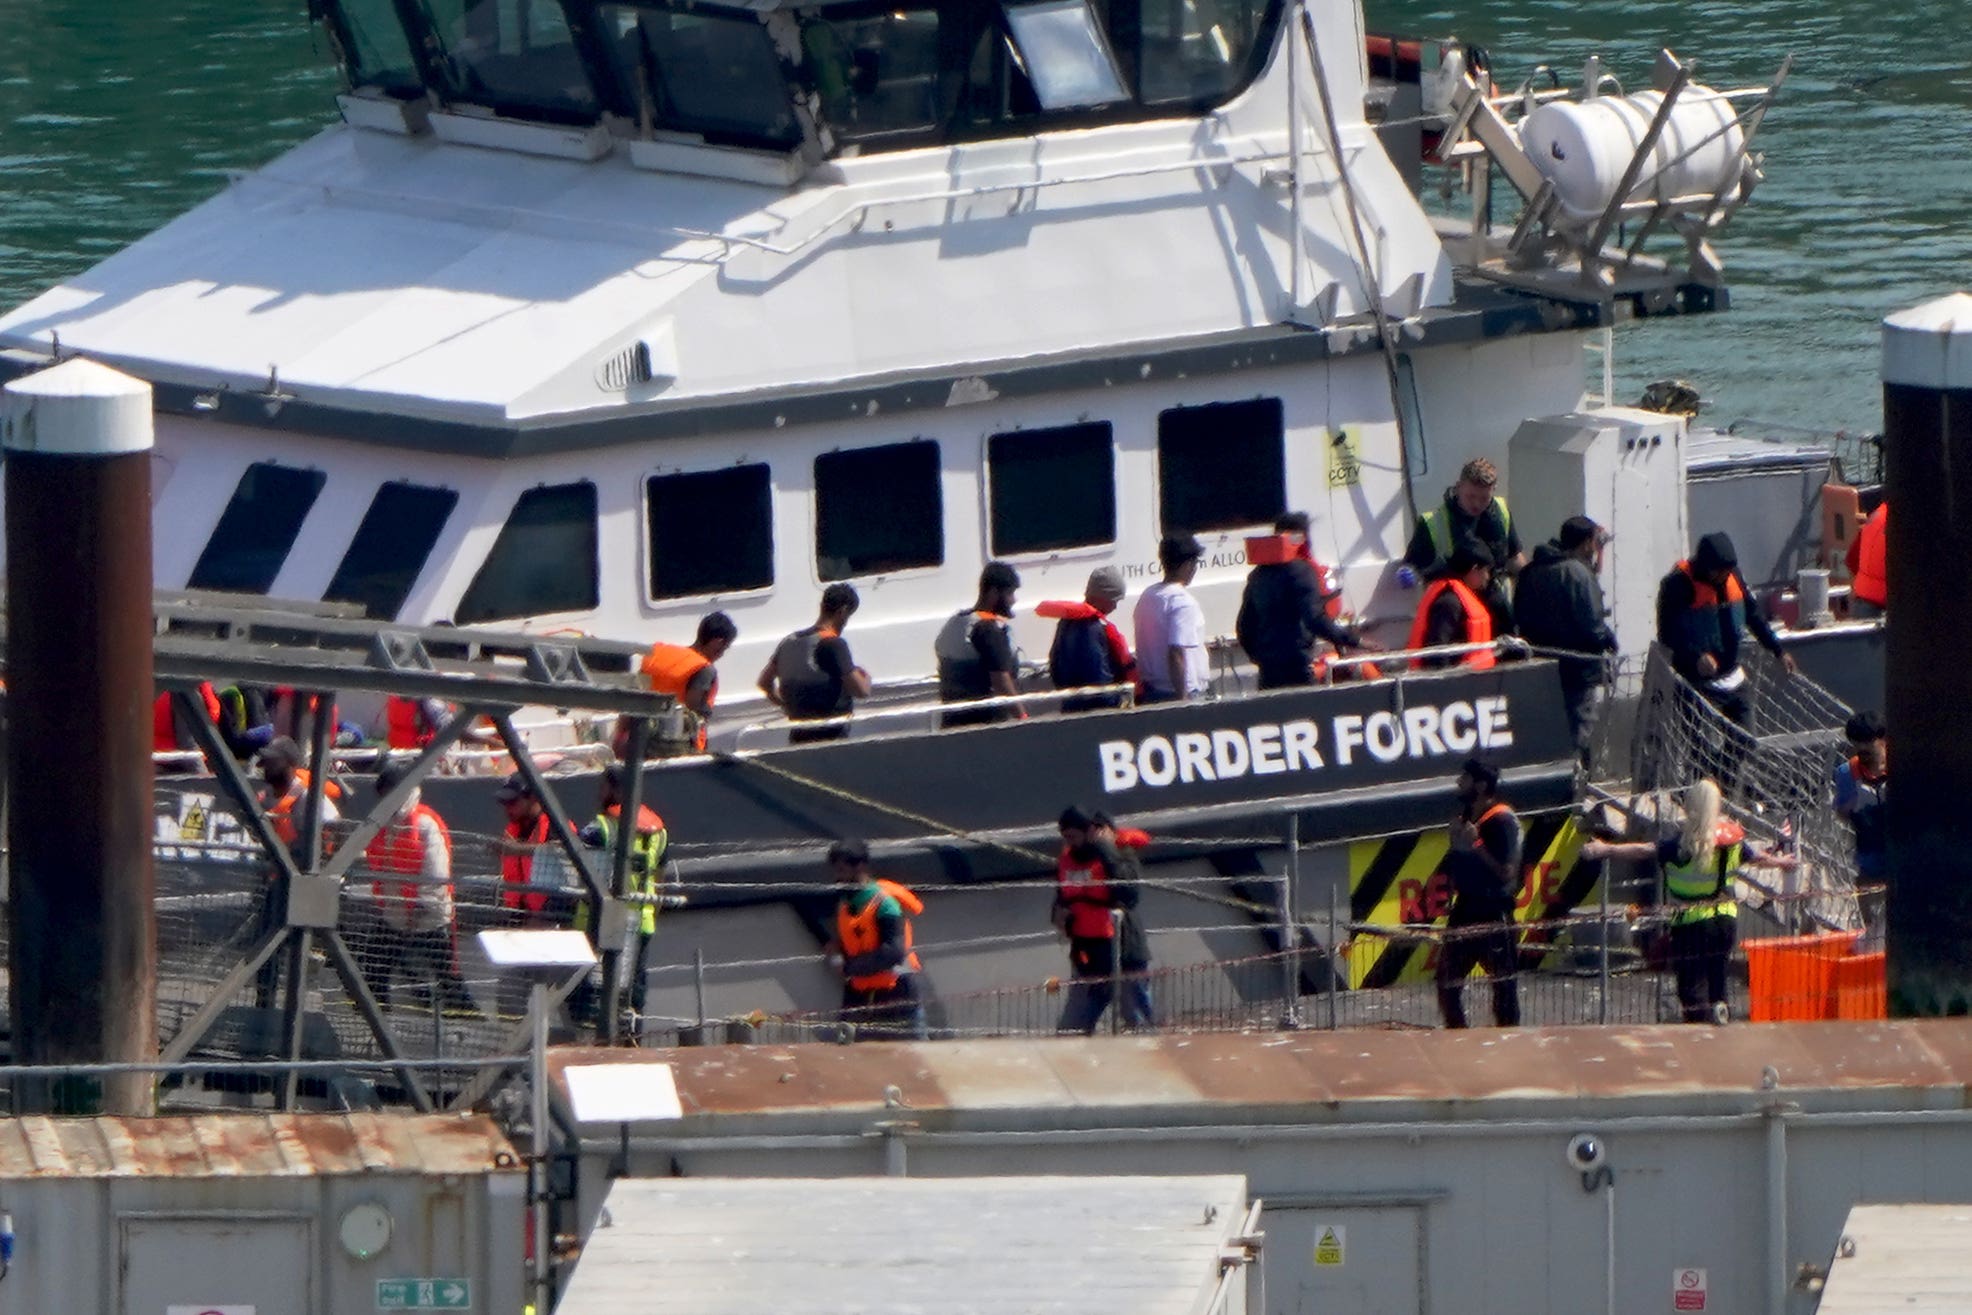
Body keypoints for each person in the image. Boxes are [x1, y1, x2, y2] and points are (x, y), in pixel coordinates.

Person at [1581, 779, 1796, 1023]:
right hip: (1725, 920)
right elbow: (1756, 857)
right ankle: (1721, 1022)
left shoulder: (1681, 845)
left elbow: (1643, 850)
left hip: (1690, 925)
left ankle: (1699, 1034)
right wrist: (1782, 862)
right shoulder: (1731, 842)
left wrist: (1605, 850)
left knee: (1691, 988)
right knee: (1718, 979)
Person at [359, 760, 476, 1014]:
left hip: (429, 918)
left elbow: (436, 875)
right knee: (374, 970)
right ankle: (376, 1020)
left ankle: (470, 1022)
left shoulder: (425, 824)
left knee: (448, 978)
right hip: (394, 916)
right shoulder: (383, 823)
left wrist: (420, 909)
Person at [1656, 531, 1795, 726]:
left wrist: (1778, 650)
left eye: (1727, 570)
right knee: (1700, 751)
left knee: (1746, 742)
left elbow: (1753, 616)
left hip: (1733, 677)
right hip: (1697, 683)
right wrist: (1696, 656)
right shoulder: (1677, 584)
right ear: (1706, 566)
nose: (1723, 576)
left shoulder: (1733, 577)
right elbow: (1668, 633)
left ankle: (1731, 756)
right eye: (1718, 571)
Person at [1515, 516, 1618, 756]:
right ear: (1585, 543)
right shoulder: (1578, 573)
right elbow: (1593, 626)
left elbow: (1519, 616)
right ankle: (1576, 786)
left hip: (1540, 668)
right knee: (1579, 734)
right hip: (1578, 670)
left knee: (1547, 734)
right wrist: (1609, 641)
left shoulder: (1530, 572)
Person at [578, 764, 675, 1018]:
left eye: (603, 787)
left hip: (602, 918)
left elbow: (573, 853)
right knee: (633, 988)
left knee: (593, 986)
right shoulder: (659, 832)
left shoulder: (602, 827)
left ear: (617, 789)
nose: (600, 793)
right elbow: (660, 880)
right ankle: (632, 1038)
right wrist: (651, 913)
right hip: (642, 921)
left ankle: (596, 1036)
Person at [1236, 511, 1371, 688]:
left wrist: (1260, 658)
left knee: (1272, 715)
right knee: (1307, 714)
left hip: (1268, 673)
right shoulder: (1302, 571)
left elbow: (1243, 627)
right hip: (1297, 667)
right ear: (1303, 538)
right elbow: (1314, 618)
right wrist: (1355, 640)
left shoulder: (1258, 575)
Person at [1435, 758, 1523, 1029]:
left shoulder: (1501, 820)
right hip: (1465, 909)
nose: (1459, 784)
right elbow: (1458, 861)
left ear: (1481, 785)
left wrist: (1477, 843)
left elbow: (1506, 872)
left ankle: (1509, 1037)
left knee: (1503, 984)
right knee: (1447, 980)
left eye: (1465, 779)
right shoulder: (1466, 818)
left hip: (1493, 912)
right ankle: (1458, 1035)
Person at [1053, 806, 1154, 1034]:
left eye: (1072, 836)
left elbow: (1129, 896)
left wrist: (1105, 849)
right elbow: (1061, 897)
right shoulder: (1067, 860)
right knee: (1073, 1025)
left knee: (1137, 1018)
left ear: (1092, 831)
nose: (1069, 842)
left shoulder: (1120, 852)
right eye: (1064, 837)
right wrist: (1059, 915)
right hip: (1087, 952)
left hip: (1124, 949)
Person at [1404, 457, 1525, 635]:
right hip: (1453, 607)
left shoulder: (1501, 512)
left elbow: (1514, 557)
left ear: (1493, 490)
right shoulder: (1433, 522)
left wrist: (1532, 578)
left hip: (1494, 600)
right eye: (1471, 496)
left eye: (1484, 498)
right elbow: (1415, 568)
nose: (1476, 504)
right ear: (1459, 487)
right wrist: (1409, 575)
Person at [823, 839, 927, 1040]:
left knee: (911, 1054)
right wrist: (838, 949)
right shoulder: (846, 903)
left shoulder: (885, 904)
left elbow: (893, 952)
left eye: (842, 870)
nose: (838, 877)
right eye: (836, 870)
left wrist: (848, 967)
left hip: (897, 993)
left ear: (860, 866)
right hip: (861, 993)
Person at [761, 584, 872, 744]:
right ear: (843, 612)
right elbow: (861, 690)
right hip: (831, 736)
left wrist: (787, 703)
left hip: (799, 734)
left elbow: (764, 682)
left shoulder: (789, 642)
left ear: (822, 606)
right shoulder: (834, 644)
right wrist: (865, 677)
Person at [934, 562, 1024, 727]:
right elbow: (1001, 682)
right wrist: (1023, 718)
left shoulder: (956, 622)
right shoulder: (988, 629)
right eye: (1010, 593)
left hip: (952, 726)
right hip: (986, 727)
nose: (1014, 600)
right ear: (993, 593)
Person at [1037, 566, 1136, 711]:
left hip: (1070, 705)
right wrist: (1116, 700)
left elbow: (1054, 665)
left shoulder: (1066, 622)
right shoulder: (1092, 629)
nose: (1115, 606)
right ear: (1102, 597)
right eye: (1114, 600)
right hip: (1096, 712)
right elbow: (1098, 678)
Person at [637, 611, 738, 752]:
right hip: (676, 747)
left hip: (642, 740)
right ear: (718, 643)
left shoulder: (659, 654)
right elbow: (693, 709)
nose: (722, 654)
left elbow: (636, 691)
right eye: (725, 648)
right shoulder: (704, 670)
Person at [1833, 711, 1889, 945]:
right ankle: (1873, 932)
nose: (1863, 754)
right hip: (1870, 847)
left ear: (1882, 741)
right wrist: (1854, 804)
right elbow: (1840, 811)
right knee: (1865, 887)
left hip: (1901, 845)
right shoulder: (1847, 774)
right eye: (1858, 748)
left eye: (1869, 749)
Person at [1134, 534, 1210, 702]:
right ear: (1187, 564)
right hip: (1180, 692)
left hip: (1150, 690)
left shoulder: (1148, 596)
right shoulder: (1182, 602)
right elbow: (1176, 651)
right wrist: (1182, 699)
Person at [1409, 542, 1497, 670]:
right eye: (1486, 571)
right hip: (1455, 683)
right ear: (1474, 569)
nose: (1488, 577)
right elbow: (1437, 651)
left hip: (1474, 680)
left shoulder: (1459, 597)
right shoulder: (1449, 602)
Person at [492, 770, 553, 924]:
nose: (507, 809)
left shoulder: (556, 829)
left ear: (533, 798)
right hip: (517, 918)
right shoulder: (513, 830)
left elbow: (564, 854)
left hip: (549, 922)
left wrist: (517, 850)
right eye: (505, 803)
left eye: (513, 802)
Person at [1846, 501, 1887, 617]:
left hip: (1862, 601)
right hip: (1890, 605)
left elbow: (1851, 559)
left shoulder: (1877, 515)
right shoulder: (1913, 521)